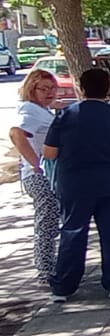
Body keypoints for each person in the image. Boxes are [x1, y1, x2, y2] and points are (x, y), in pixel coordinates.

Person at [42, 68, 110, 302]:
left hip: (74, 184)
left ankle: (64, 287)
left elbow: (49, 152)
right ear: (107, 88)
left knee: (72, 232)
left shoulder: (65, 115)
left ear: (82, 87)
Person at [9, 68, 59, 283]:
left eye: (53, 89)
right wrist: (36, 164)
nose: (50, 93)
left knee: (51, 220)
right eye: (44, 89)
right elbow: (16, 133)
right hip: (39, 177)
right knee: (46, 222)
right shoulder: (29, 111)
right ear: (32, 89)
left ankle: (50, 266)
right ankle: (45, 270)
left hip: (49, 175)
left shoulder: (41, 110)